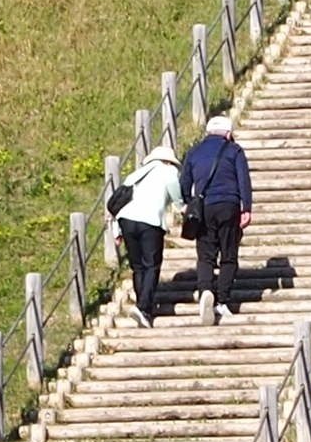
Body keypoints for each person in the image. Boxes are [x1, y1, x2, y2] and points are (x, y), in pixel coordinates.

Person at [179, 108, 255, 308]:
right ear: (228, 134)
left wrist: (188, 203)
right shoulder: (234, 150)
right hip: (229, 205)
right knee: (228, 255)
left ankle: (205, 292)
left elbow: (184, 183)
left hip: (204, 208)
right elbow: (243, 180)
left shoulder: (194, 151)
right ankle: (222, 300)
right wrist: (246, 207)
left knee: (205, 255)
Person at [107, 137, 184, 313]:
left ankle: (142, 303)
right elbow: (176, 194)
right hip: (150, 222)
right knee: (152, 264)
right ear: (168, 161)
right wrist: (182, 207)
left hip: (126, 220)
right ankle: (144, 307)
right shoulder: (168, 172)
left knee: (137, 266)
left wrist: (116, 230)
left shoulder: (136, 174)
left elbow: (120, 202)